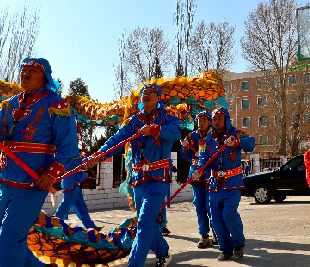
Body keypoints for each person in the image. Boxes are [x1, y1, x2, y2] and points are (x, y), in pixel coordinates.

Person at [0, 57, 78, 267]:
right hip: (6, 179)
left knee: (9, 242)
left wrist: (51, 174)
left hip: (33, 181)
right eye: (23, 70)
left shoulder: (56, 103)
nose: (25, 74)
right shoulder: (11, 103)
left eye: (32, 71)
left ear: (44, 77)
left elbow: (68, 146)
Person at [84, 83, 179, 267]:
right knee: (147, 222)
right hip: (138, 181)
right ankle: (163, 252)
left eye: (152, 92)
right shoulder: (133, 122)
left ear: (159, 98)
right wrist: (98, 155)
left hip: (158, 179)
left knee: (144, 222)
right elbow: (116, 140)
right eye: (144, 92)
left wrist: (155, 129)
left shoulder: (169, 118)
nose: (147, 95)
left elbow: (175, 133)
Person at [199, 107, 255, 261]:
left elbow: (251, 143)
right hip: (214, 184)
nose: (216, 122)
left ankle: (238, 244)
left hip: (233, 183)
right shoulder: (207, 140)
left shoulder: (236, 134)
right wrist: (200, 169)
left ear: (227, 119)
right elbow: (204, 159)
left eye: (219, 118)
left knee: (229, 214)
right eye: (214, 119)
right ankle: (225, 248)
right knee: (215, 217)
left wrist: (237, 142)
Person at [181, 110, 214, 248]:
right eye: (199, 121)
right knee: (199, 206)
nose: (201, 123)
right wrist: (186, 146)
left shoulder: (214, 136)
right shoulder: (192, 135)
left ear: (209, 122)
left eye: (204, 120)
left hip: (210, 175)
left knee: (211, 206)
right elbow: (186, 155)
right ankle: (204, 236)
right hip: (195, 176)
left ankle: (218, 233)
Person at [54, 150, 98, 230]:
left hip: (76, 183)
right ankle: (54, 225)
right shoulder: (67, 152)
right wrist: (85, 159)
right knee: (65, 206)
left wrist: (86, 159)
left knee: (81, 207)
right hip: (70, 183)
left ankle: (91, 227)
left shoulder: (75, 151)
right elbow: (73, 162)